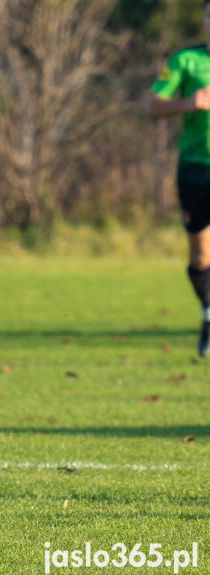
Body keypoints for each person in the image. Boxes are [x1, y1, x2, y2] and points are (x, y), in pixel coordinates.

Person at [147, 0, 210, 357]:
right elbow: (152, 106)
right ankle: (208, 315)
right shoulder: (185, 61)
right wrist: (189, 102)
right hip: (196, 169)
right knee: (201, 258)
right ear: (203, 20)